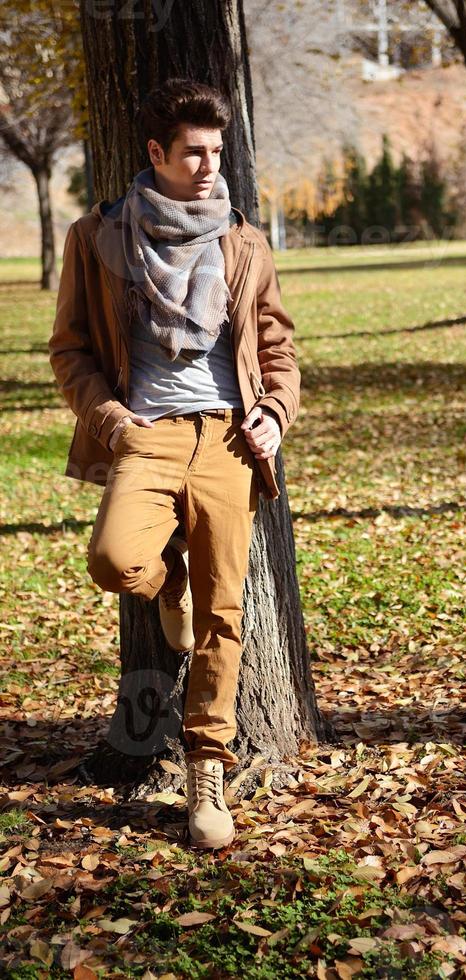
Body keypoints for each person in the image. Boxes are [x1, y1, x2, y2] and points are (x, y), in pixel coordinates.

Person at [48, 78, 300, 849]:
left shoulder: (244, 242)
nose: (208, 166)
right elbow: (71, 350)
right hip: (147, 436)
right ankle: (170, 579)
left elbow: (279, 349)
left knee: (226, 617)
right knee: (118, 561)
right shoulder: (98, 239)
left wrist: (274, 415)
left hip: (228, 438)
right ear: (155, 152)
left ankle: (206, 773)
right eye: (193, 151)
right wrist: (112, 420)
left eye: (217, 151)